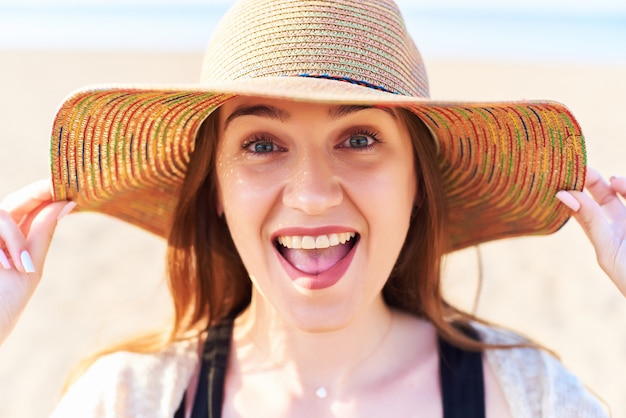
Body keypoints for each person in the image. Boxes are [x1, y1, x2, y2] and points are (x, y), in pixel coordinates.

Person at [0, 0, 623, 416]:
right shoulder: (131, 400)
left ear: (417, 183)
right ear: (216, 188)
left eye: (358, 139)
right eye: (262, 144)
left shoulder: (527, 397)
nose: (311, 193)